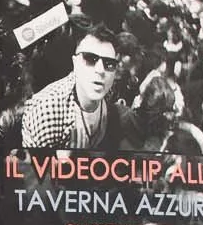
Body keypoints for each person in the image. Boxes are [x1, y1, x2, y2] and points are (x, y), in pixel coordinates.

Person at [15, 17, 123, 156]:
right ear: (75, 63)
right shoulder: (48, 110)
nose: (100, 70)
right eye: (90, 59)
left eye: (109, 63)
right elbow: (34, 172)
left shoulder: (108, 93)